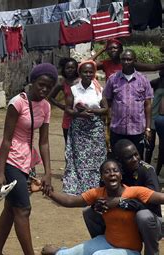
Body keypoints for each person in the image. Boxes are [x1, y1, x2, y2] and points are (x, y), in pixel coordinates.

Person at [0, 63, 58, 255]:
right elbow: (7, 139)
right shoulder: (17, 103)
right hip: (9, 160)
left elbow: (44, 142)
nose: (44, 89)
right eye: (41, 84)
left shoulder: (45, 106)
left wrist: (47, 173)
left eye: (49, 86)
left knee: (11, 209)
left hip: (27, 161)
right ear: (32, 82)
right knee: (23, 208)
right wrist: (0, 172)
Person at [43, 159, 164, 255]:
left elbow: (160, 198)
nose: (112, 174)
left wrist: (118, 202)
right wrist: (47, 191)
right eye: (107, 172)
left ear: (121, 175)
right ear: (102, 177)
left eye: (115, 171)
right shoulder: (98, 193)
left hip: (130, 251)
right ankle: (63, 251)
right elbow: (70, 201)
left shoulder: (135, 191)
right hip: (106, 241)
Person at [83, 139, 162, 255]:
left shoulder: (146, 171)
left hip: (150, 221)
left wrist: (121, 202)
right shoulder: (111, 171)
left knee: (143, 216)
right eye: (129, 157)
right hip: (122, 221)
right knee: (89, 213)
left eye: (136, 154)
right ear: (119, 161)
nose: (136, 159)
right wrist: (98, 205)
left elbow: (151, 204)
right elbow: (102, 195)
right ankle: (107, 245)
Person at [62, 60, 108, 195]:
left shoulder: (99, 89)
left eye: (91, 72)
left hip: (95, 129)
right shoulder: (74, 89)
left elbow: (105, 108)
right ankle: (80, 188)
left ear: (94, 73)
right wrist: (79, 113)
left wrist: (92, 111)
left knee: (97, 157)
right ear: (80, 73)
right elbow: (68, 109)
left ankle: (95, 187)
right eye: (85, 72)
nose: (88, 74)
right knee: (79, 158)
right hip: (79, 130)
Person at [103, 49, 153, 159]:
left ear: (134, 60)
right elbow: (107, 99)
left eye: (129, 59)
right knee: (118, 158)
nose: (126, 62)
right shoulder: (113, 79)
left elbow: (148, 105)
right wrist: (109, 117)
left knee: (136, 159)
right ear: (120, 61)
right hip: (117, 129)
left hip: (137, 129)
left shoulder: (143, 80)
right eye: (124, 59)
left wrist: (148, 128)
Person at [92, 38, 164, 81]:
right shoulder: (105, 64)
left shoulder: (128, 62)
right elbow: (86, 64)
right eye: (109, 48)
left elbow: (153, 67)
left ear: (121, 50)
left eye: (115, 48)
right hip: (111, 96)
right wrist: (102, 50)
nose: (112, 50)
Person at [48, 57, 79, 145]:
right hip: (68, 119)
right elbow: (50, 97)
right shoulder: (62, 83)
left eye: (72, 68)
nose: (70, 70)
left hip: (81, 117)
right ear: (64, 70)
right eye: (67, 68)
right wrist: (63, 107)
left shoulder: (81, 82)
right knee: (68, 144)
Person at [147, 70, 164, 173]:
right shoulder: (155, 82)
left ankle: (157, 172)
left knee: (162, 148)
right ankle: (147, 169)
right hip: (153, 117)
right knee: (150, 146)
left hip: (162, 119)